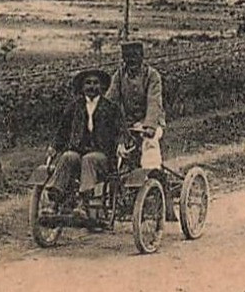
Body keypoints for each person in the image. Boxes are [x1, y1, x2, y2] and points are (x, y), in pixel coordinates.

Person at [50, 68, 121, 214]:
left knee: (89, 159)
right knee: (68, 156)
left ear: (101, 87)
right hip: (79, 152)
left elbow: (121, 130)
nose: (92, 87)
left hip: (102, 156)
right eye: (88, 83)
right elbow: (63, 130)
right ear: (82, 87)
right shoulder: (74, 107)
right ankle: (56, 200)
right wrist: (54, 147)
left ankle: (83, 203)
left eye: (96, 83)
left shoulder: (111, 108)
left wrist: (121, 145)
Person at [107, 40, 165, 169]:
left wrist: (149, 126)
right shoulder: (119, 75)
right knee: (112, 145)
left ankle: (152, 173)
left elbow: (153, 102)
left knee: (150, 143)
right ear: (123, 58)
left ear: (141, 56)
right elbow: (110, 101)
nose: (131, 60)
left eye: (134, 55)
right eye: (127, 56)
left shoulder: (152, 75)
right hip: (128, 123)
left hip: (151, 122)